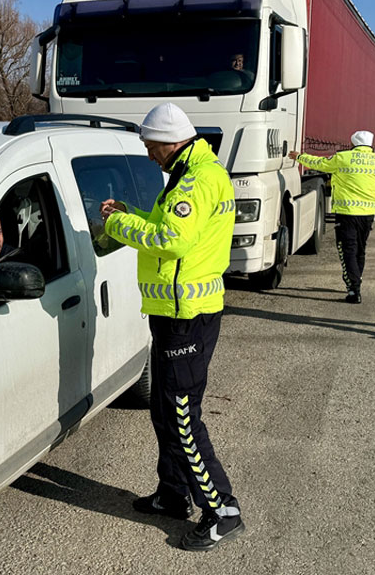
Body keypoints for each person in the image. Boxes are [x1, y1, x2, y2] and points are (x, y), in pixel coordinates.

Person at [99, 102, 243, 551]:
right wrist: (132, 213)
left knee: (182, 415)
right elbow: (166, 226)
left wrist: (118, 223)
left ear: (170, 141)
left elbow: (171, 239)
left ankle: (223, 509)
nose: (148, 156)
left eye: (150, 147)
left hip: (188, 317)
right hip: (173, 313)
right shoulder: (187, 172)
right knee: (164, 410)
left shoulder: (197, 180)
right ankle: (174, 493)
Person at [288, 130, 375, 303]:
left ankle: (354, 289)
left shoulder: (343, 158)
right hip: (368, 215)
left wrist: (299, 157)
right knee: (360, 250)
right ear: (370, 145)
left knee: (348, 250)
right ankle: (356, 282)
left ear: (353, 144)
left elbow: (319, 163)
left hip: (347, 214)